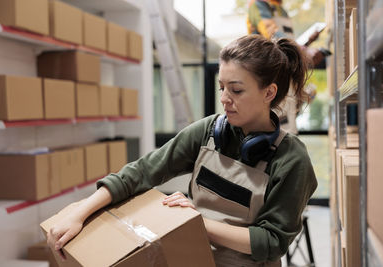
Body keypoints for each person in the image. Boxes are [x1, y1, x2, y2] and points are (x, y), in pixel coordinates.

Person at [47, 35, 317, 267]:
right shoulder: (209, 131)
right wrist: (78, 213)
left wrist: (194, 221)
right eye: (221, 87)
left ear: (269, 93)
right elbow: (140, 173)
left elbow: (270, 241)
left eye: (236, 90)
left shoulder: (291, 159)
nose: (224, 99)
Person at [246, 0, 324, 134]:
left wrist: (307, 42)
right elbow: (272, 34)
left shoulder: (281, 10)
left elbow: (287, 45)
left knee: (288, 129)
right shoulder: (257, 5)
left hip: (285, 77)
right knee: (275, 131)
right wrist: (302, 51)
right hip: (269, 76)